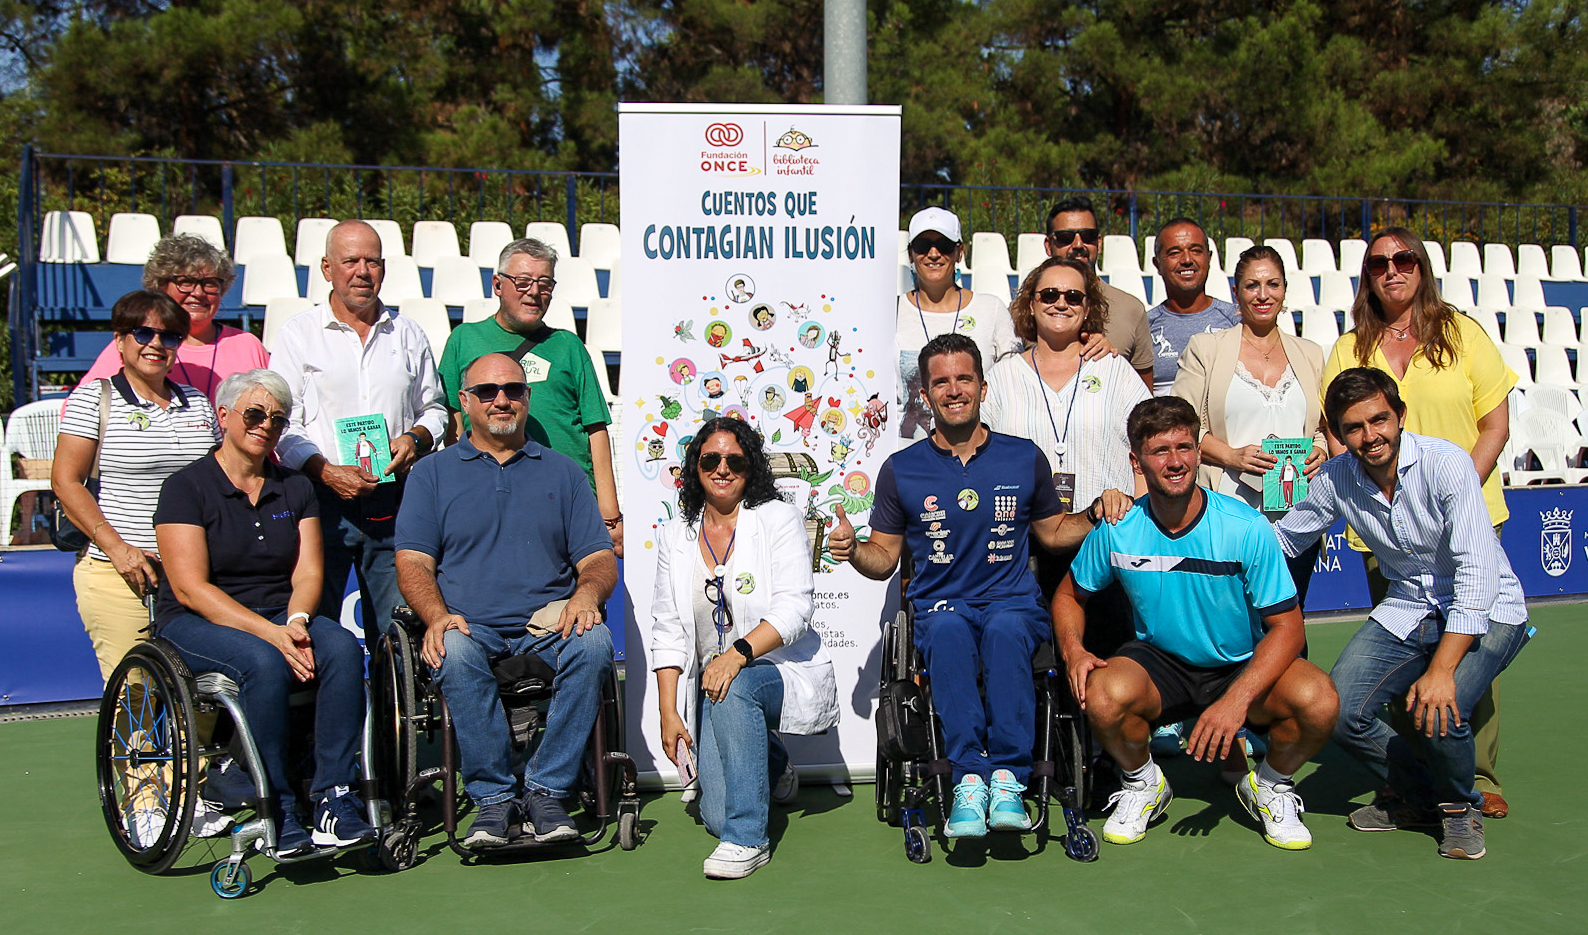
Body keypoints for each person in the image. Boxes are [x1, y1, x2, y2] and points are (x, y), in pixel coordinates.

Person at [828, 333, 1131, 839]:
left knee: (1006, 631)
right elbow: (882, 560)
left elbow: (1054, 533)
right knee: (946, 630)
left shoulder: (1021, 457)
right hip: (940, 607)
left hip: (1011, 602)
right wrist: (852, 548)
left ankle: (1009, 778)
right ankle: (970, 777)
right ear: (924, 395)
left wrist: (1098, 510)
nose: (953, 390)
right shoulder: (901, 469)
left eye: (963, 378)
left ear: (983, 386)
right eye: (940, 382)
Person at [1053, 396, 1338, 851]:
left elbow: (1289, 629)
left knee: (1318, 701)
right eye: (1160, 451)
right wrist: (1074, 651)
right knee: (1101, 693)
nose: (1175, 461)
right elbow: (1070, 595)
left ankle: (1270, 785)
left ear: (1199, 453)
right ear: (1136, 461)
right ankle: (1144, 783)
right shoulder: (1116, 527)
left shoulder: (1246, 527)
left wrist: (1235, 704)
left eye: (1184, 447)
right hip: (1159, 664)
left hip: (1240, 663)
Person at [1274, 367, 1529, 859]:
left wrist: (1441, 670)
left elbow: (1477, 572)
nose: (1370, 437)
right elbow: (1286, 537)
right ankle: (1419, 796)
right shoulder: (1336, 478)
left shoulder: (1447, 463)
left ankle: (1459, 807)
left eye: (1379, 420)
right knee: (1341, 711)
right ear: (1337, 433)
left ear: (1400, 416)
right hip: (1409, 606)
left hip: (1492, 607)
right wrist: (1213, 533)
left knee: (1440, 707)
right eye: (1354, 427)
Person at [1323, 228, 1517, 818]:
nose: (1392, 270)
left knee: (1464, 654)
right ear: (1368, 274)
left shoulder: (1461, 335)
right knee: (1400, 659)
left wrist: (1450, 494)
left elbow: (1495, 424)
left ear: (1421, 267)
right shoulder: (1352, 344)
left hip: (1469, 519)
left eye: (1403, 258)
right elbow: (1338, 435)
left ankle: (1477, 775)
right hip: (1388, 532)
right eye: (1379, 262)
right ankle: (1413, 780)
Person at [395, 352, 618, 849]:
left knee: (596, 642)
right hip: (471, 627)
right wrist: (434, 616)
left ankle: (547, 790)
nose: (502, 400)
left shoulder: (563, 473)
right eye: (488, 392)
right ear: (464, 401)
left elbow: (599, 558)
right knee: (451, 648)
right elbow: (412, 563)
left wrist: (585, 595)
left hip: (547, 626)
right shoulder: (430, 475)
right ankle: (494, 798)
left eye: (513, 390)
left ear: (528, 397)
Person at [154, 369, 374, 856]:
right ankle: (276, 802)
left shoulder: (295, 487)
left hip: (280, 611)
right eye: (255, 414)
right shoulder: (186, 488)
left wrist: (295, 622)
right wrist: (271, 635)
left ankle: (332, 795)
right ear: (225, 415)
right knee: (262, 661)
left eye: (277, 418)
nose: (266, 425)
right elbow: (191, 588)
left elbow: (307, 575)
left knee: (338, 646)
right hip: (196, 621)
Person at [651, 418, 839, 880]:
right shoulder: (675, 536)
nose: (721, 468)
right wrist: (668, 710)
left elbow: (795, 609)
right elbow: (668, 628)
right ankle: (773, 766)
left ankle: (748, 839)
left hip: (771, 671)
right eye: (710, 459)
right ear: (695, 467)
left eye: (734, 459)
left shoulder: (777, 518)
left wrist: (736, 655)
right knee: (713, 813)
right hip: (713, 687)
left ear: (750, 467)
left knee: (738, 687)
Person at [268, 220, 447, 638]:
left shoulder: (407, 333)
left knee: (397, 634)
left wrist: (414, 439)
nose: (362, 271)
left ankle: (394, 705)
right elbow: (284, 423)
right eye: (351, 261)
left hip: (394, 499)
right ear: (327, 268)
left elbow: (434, 408)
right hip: (319, 501)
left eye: (373, 262)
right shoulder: (299, 334)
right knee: (319, 629)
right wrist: (325, 471)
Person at [981, 257, 1148, 655]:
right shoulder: (1002, 377)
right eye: (1049, 294)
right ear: (1031, 304)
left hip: (1103, 540)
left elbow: (1146, 451)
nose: (1061, 303)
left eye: (1074, 295)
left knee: (1106, 664)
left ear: (1089, 307)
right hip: (1021, 547)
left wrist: (1140, 519)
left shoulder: (1115, 371)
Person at [53, 291, 220, 683]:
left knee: (204, 696)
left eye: (170, 336)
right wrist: (118, 549)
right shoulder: (93, 399)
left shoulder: (197, 402)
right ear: (120, 340)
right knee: (137, 696)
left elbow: (216, 481)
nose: (157, 345)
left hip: (194, 575)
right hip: (120, 573)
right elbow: (65, 481)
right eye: (143, 333)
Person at [436, 238, 623, 557]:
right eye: (522, 281)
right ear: (497, 284)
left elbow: (596, 430)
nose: (534, 292)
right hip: (488, 504)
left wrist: (609, 514)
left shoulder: (569, 346)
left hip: (568, 505)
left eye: (545, 283)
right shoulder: (463, 340)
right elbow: (453, 426)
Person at [1171, 244, 1328, 603]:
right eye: (1252, 285)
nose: (1263, 295)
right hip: (1228, 509)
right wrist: (1231, 456)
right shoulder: (1205, 348)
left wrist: (1319, 450)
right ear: (1236, 292)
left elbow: (1320, 427)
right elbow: (1179, 427)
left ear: (1285, 290)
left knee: (1288, 623)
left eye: (1272, 284)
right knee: (1231, 621)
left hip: (1294, 516)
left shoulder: (1311, 353)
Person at [79, 234, 270, 405]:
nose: (198, 293)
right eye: (185, 282)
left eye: (209, 284)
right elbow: (81, 409)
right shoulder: (138, 342)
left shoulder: (248, 345)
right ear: (160, 286)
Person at [894, 207, 1021, 438]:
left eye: (944, 245)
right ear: (911, 254)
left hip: (975, 455)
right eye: (923, 246)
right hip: (908, 454)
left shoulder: (991, 310)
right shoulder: (891, 313)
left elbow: (1016, 382)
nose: (933, 254)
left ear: (959, 252)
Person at [1043, 195, 1154, 387]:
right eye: (1065, 238)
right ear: (1048, 245)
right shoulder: (1029, 309)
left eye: (1088, 236)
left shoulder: (1130, 309)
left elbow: (1145, 400)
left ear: (1099, 243)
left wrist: (1111, 361)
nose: (1078, 245)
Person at [1146, 218, 1240, 396]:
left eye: (1196, 251)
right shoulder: (1143, 327)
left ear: (1209, 258)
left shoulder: (1236, 321)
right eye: (1174, 253)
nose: (1187, 260)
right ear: (1157, 264)